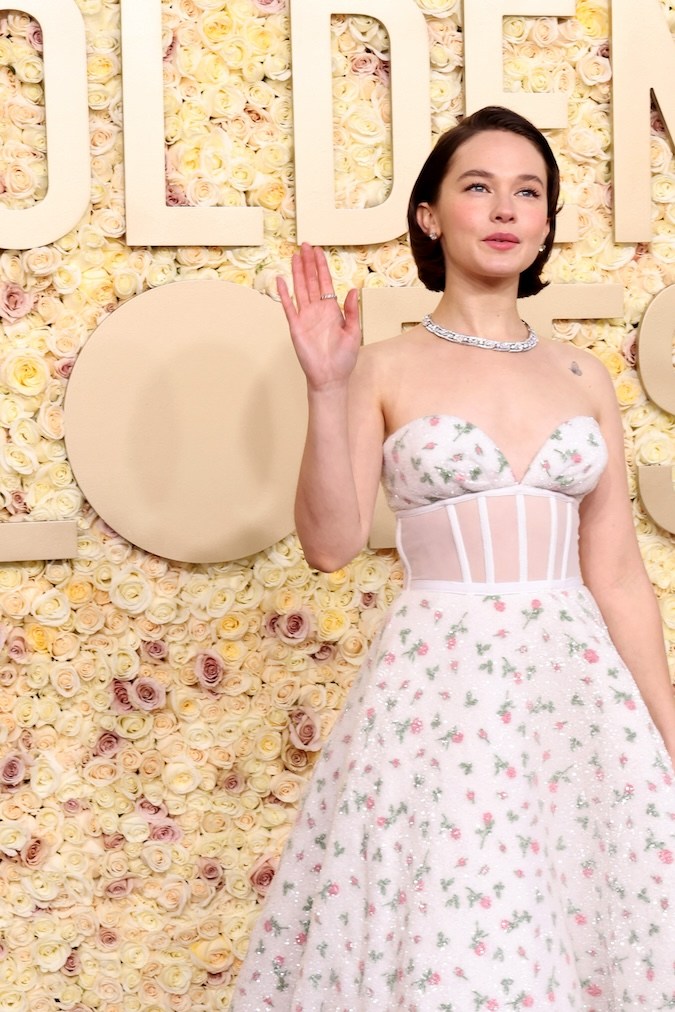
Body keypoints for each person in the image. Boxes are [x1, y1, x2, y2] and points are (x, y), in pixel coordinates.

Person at [231, 106, 675, 1010]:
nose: (504, 208)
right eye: (477, 186)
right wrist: (325, 389)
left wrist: (670, 730)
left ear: (546, 222)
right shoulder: (382, 367)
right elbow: (330, 544)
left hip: (575, 694)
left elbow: (616, 573)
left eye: (528, 191)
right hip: (441, 695)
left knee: (597, 932)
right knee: (459, 933)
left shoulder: (583, 376)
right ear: (430, 216)